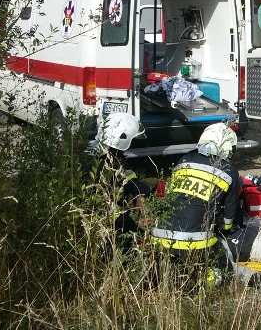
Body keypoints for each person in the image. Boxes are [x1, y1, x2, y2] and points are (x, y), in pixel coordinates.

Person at [150, 122, 241, 283]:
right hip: (195, 240)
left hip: (159, 237)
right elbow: (228, 216)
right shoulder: (229, 172)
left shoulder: (183, 160)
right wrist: (223, 228)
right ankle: (200, 287)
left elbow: (171, 195)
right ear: (228, 147)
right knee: (224, 268)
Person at [91, 112, 151, 248]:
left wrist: (138, 191)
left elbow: (127, 177)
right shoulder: (100, 166)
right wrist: (136, 224)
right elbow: (104, 208)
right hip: (100, 227)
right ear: (121, 140)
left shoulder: (112, 156)